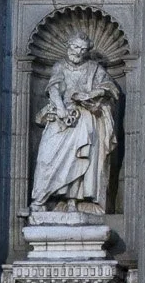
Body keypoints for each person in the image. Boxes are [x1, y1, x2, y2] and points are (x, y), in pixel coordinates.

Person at [29, 33, 119, 213]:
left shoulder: (94, 68)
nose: (78, 52)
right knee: (46, 157)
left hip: (84, 117)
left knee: (79, 157)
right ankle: (40, 200)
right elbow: (54, 88)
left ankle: (72, 200)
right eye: (76, 47)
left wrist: (91, 94)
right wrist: (61, 109)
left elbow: (111, 88)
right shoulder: (60, 66)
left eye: (83, 49)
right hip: (61, 117)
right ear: (68, 45)